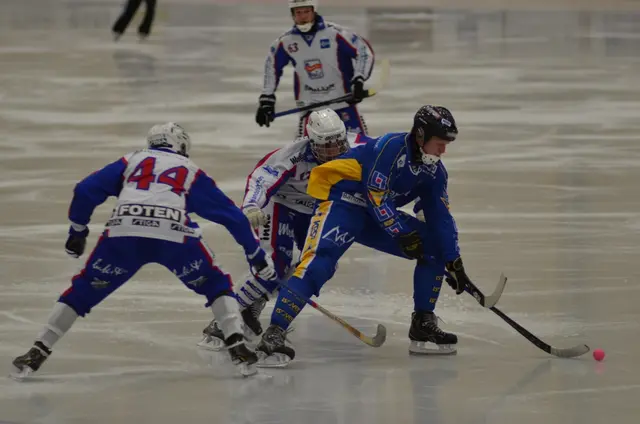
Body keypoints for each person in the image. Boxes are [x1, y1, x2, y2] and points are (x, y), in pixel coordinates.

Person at [10, 123, 278, 378]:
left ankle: (38, 350)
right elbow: (231, 215)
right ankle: (236, 344)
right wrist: (255, 254)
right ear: (181, 146)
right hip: (173, 234)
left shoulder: (131, 160)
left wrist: (77, 231)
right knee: (215, 283)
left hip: (123, 233)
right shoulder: (189, 168)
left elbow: (86, 189)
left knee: (82, 291)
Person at [246, 105, 476, 367]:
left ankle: (423, 322)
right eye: (440, 143)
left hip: (374, 214)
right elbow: (376, 196)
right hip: (344, 205)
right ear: (421, 136)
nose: (443, 150)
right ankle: (275, 332)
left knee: (433, 246)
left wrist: (453, 260)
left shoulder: (435, 172)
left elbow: (441, 218)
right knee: (319, 262)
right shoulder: (391, 146)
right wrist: (401, 233)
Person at [198, 108, 365, 350]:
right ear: (311, 141)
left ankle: (256, 301)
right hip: (282, 207)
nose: (333, 152)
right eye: (325, 147)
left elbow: (383, 156)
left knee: (320, 265)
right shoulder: (293, 155)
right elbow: (261, 177)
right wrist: (252, 205)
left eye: (337, 144)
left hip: (318, 210)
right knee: (275, 263)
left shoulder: (357, 147)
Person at [255, 0, 375, 137]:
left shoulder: (335, 34)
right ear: (292, 15)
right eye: (298, 12)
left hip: (343, 106)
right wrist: (267, 99)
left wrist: (358, 79)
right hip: (311, 110)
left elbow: (364, 52)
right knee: (308, 157)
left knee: (361, 151)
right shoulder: (286, 41)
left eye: (306, 11)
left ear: (313, 11)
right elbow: (271, 67)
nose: (303, 16)